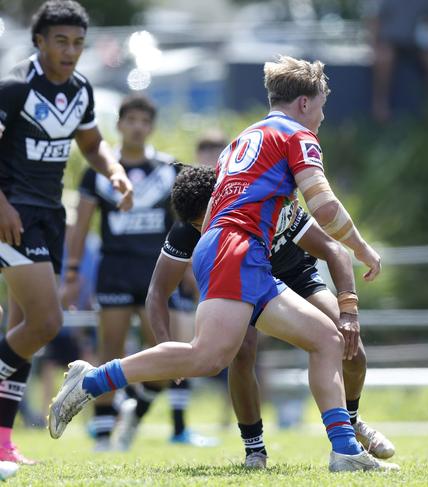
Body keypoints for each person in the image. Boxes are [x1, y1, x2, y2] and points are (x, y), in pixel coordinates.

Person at [49, 55, 398, 472]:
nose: (322, 115)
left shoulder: (244, 138)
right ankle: (90, 380)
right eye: (321, 104)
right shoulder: (297, 135)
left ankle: (344, 451)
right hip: (238, 248)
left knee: (326, 339)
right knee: (208, 357)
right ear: (304, 103)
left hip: (233, 248)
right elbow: (323, 206)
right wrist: (362, 247)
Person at [116, 164, 395, 467]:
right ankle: (255, 450)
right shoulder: (186, 232)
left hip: (295, 277)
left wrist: (348, 312)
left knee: (350, 346)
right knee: (242, 351)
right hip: (243, 280)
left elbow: (333, 250)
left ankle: (351, 425)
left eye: (206, 220)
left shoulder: (265, 205)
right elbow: (157, 293)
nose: (206, 228)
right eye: (199, 227)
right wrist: (164, 347)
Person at [0, 0, 132, 464]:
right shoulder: (15, 87)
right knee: (45, 324)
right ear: (39, 41)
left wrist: (114, 172)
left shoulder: (80, 90)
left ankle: (2, 444)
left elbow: (93, 146)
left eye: (78, 42)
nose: (71, 50)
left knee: (22, 332)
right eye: (61, 40)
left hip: (51, 217)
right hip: (13, 216)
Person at [60, 94, 179, 451]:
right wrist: (72, 273)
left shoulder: (168, 169)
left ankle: (136, 412)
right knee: (109, 349)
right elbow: (80, 227)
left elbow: (184, 224)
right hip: (114, 269)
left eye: (145, 121)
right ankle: (102, 433)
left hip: (156, 272)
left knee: (165, 352)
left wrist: (189, 270)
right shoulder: (100, 171)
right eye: (132, 121)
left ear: (151, 127)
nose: (138, 127)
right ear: (120, 125)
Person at [365, 0, 428, 122]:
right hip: (390, 42)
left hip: (418, 44)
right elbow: (376, 20)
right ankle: (380, 106)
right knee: (383, 58)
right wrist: (374, 46)